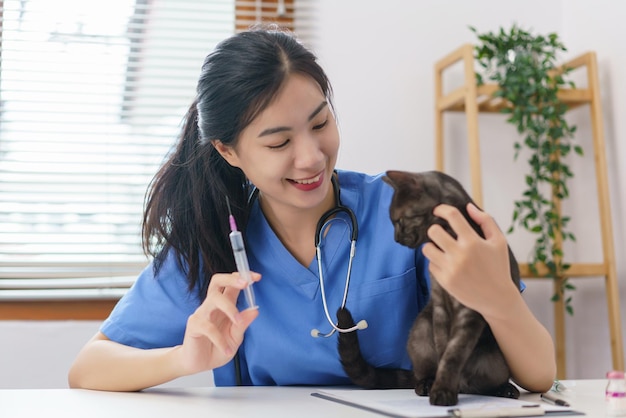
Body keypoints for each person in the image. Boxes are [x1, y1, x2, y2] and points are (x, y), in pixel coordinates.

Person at [68, 26, 556, 392]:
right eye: (279, 141)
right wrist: (184, 358)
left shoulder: (405, 212)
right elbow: (88, 368)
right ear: (228, 152)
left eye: (320, 122)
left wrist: (500, 299)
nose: (311, 156)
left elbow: (539, 375)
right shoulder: (212, 240)